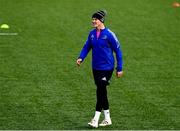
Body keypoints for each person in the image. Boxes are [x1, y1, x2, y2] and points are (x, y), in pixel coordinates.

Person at [76, 10, 123, 128]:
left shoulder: (110, 34)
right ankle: (107, 118)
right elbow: (87, 46)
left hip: (107, 68)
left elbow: (118, 51)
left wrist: (119, 68)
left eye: (95, 19)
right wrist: (81, 57)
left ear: (101, 20)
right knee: (102, 91)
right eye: (92, 19)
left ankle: (95, 119)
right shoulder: (92, 34)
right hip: (95, 67)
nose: (93, 21)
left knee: (100, 90)